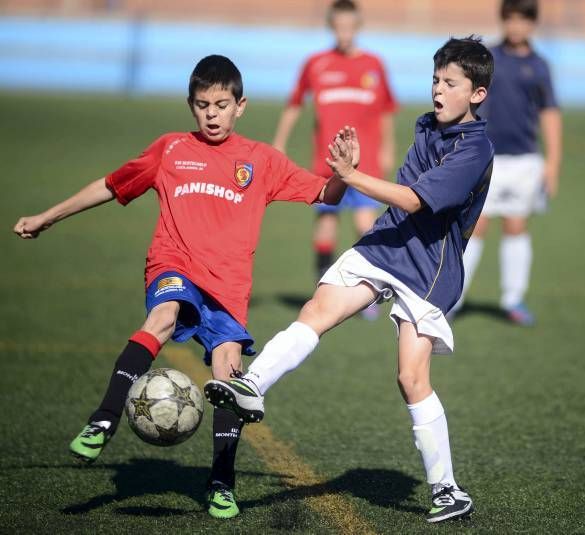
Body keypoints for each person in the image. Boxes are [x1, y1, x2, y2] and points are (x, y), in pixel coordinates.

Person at [12, 55, 347, 519]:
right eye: (203, 104)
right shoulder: (169, 149)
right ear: (191, 106)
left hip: (228, 285)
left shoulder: (261, 161)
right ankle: (104, 418)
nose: (212, 113)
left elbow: (323, 194)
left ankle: (221, 482)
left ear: (241, 106)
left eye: (222, 104)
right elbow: (111, 185)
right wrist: (49, 216)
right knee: (163, 316)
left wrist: (343, 175)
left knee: (229, 373)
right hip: (174, 264)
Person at [205, 36, 494, 524]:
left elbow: (415, 200)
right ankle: (252, 384)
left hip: (431, 267)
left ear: (477, 94)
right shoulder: (427, 126)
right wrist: (360, 177)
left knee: (411, 377)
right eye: (435, 80)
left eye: (450, 83)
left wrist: (350, 174)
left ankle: (448, 491)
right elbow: (403, 196)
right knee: (316, 310)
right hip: (388, 241)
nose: (438, 91)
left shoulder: (476, 147)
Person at [272, 0, 397, 319]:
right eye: (339, 26)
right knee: (326, 224)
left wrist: (387, 148)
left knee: (365, 226)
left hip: (365, 162)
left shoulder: (374, 64)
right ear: (332, 26)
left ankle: (367, 293)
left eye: (349, 26)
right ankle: (323, 285)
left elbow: (386, 110)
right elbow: (295, 103)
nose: (344, 32)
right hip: (327, 162)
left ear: (357, 27)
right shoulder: (316, 63)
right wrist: (280, 142)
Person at [452, 0, 562, 326]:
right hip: (486, 158)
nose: (516, 27)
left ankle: (513, 300)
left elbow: (550, 113)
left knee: (516, 226)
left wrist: (553, 162)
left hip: (525, 160)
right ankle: (452, 299)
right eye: (510, 19)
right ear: (502, 21)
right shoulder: (489, 59)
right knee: (475, 227)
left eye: (522, 20)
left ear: (532, 24)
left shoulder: (540, 66)